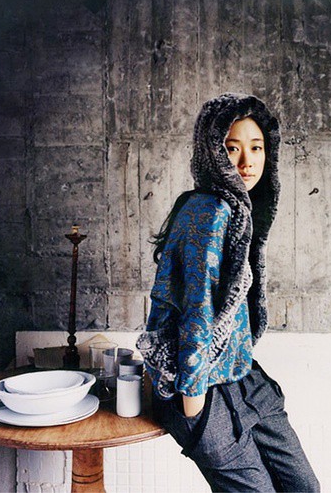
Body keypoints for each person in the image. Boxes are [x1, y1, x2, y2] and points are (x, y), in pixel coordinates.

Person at [137, 93, 320, 492]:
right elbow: (197, 308)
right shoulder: (211, 211)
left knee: (304, 487)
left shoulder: (238, 209)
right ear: (213, 153)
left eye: (257, 147)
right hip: (199, 384)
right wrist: (194, 406)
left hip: (241, 375)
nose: (247, 161)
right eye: (232, 148)